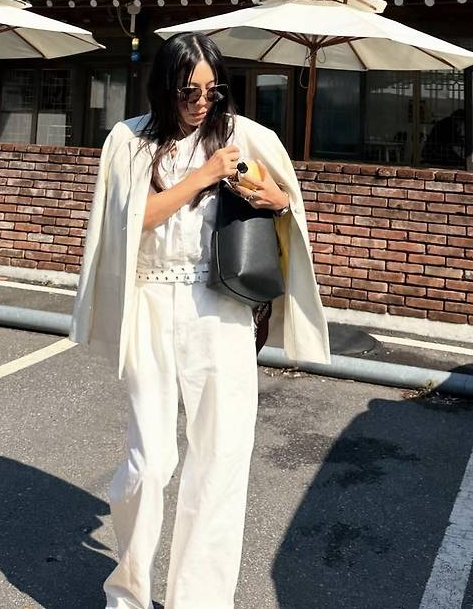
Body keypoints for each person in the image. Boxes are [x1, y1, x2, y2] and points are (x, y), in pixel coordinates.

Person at [70, 33, 331, 609]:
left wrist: (267, 195)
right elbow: (134, 219)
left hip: (221, 306)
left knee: (221, 459)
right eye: (189, 90)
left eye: (212, 91)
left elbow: (284, 202)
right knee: (149, 463)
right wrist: (207, 173)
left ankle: (202, 600)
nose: (201, 102)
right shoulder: (129, 140)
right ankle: (127, 593)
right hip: (150, 303)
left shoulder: (244, 135)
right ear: (165, 86)